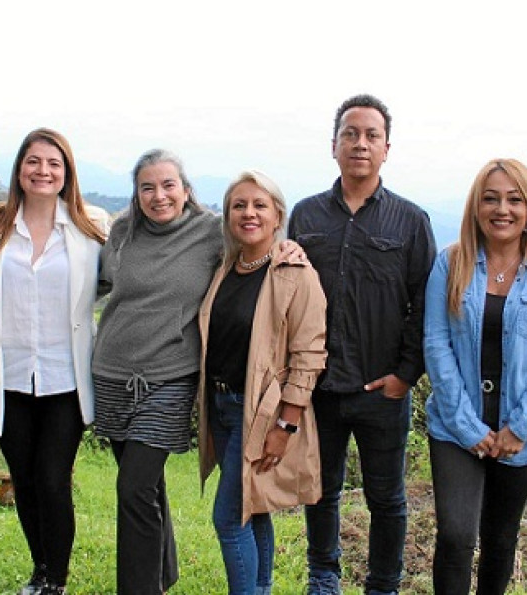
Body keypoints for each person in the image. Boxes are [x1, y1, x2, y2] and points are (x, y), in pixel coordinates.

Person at [91, 149, 304, 594]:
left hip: (170, 377)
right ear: (136, 194)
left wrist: (287, 246)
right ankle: (163, 571)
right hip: (112, 373)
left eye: (168, 185)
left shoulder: (210, 233)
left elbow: (256, 243)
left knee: (132, 488)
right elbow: (100, 282)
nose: (158, 195)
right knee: (143, 487)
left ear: (186, 191)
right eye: (147, 187)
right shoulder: (123, 233)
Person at [289, 94, 436, 595]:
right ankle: (323, 578)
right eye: (351, 133)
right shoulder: (306, 216)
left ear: (386, 149)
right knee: (321, 492)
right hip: (320, 388)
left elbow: (424, 306)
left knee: (387, 499)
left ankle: (382, 586)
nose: (360, 143)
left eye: (371, 135)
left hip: (382, 390)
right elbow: (285, 297)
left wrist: (406, 374)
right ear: (334, 146)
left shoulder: (411, 222)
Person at [423, 159, 527, 595]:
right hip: (456, 429)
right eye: (491, 199)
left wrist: (520, 426)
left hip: (525, 435)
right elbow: (436, 346)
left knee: (500, 537)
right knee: (455, 536)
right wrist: (468, 426)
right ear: (476, 207)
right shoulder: (449, 265)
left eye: (514, 199)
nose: (502, 209)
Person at [0, 128, 109, 595]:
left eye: (53, 164)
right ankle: (40, 570)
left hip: (65, 377)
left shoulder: (91, 227)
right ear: (19, 170)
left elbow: (120, 275)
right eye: (33, 162)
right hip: (8, 372)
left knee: (53, 480)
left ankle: (57, 579)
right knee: (25, 482)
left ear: (67, 172)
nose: (43, 171)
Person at [198, 170, 327, 594]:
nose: (248, 213)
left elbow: (309, 356)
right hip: (221, 405)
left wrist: (285, 425)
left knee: (229, 517)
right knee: (254, 508)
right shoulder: (226, 267)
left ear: (277, 216)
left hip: (260, 412)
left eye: (259, 205)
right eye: (239, 205)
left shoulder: (295, 272)